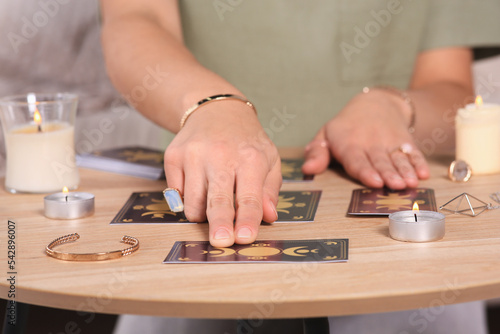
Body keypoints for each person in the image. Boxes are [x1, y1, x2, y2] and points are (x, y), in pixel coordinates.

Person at [101, 0, 500, 249]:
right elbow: (134, 17)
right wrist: (212, 106)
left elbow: (452, 94)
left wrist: (393, 105)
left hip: (399, 252)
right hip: (189, 224)